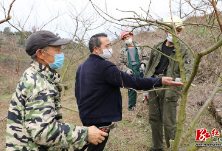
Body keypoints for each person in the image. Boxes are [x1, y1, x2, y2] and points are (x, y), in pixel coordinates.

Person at [75, 33, 184, 151]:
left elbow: (77, 92)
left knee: (88, 144)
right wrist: (159, 81)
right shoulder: (106, 67)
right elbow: (132, 82)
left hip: (86, 115)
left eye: (110, 44)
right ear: (96, 49)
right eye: (107, 46)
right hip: (100, 118)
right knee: (95, 147)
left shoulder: (82, 67)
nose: (110, 48)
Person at [6, 30, 108, 151]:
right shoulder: (39, 84)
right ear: (41, 54)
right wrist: (85, 134)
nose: (61, 54)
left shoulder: (35, 74)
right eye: (57, 50)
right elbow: (42, 132)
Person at [143, 16, 193, 151]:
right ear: (166, 30)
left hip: (171, 88)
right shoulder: (157, 46)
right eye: (172, 29)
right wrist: (146, 86)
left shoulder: (184, 50)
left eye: (178, 30)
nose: (176, 32)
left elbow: (189, 69)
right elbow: (149, 67)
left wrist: (182, 82)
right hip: (155, 84)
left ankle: (172, 148)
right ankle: (157, 147)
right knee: (154, 119)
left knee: (169, 121)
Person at [119, 30, 149, 110]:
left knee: (147, 87)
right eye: (125, 38)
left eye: (128, 36)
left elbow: (146, 58)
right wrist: (127, 70)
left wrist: (143, 64)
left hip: (141, 70)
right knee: (131, 90)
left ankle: (149, 105)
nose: (127, 38)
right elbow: (121, 64)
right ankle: (131, 110)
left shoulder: (140, 47)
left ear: (131, 36)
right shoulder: (122, 51)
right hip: (131, 71)